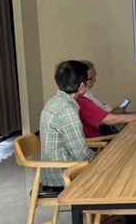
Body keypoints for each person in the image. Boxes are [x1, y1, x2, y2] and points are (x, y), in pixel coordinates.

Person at [39, 60, 96, 188]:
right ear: (82, 85)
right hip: (63, 175)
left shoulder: (55, 101)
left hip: (52, 172)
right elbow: (80, 154)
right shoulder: (66, 110)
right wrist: (100, 157)